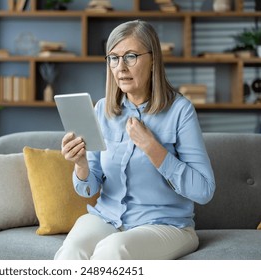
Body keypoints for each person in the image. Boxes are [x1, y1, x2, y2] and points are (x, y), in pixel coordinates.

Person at [54, 20, 215, 260]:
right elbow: (89, 189)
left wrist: (153, 149)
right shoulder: (102, 111)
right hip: (107, 217)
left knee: (113, 249)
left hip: (166, 226)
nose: (121, 67)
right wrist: (81, 164)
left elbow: (204, 190)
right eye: (113, 58)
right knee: (71, 250)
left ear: (153, 61)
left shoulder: (180, 111)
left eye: (130, 56)